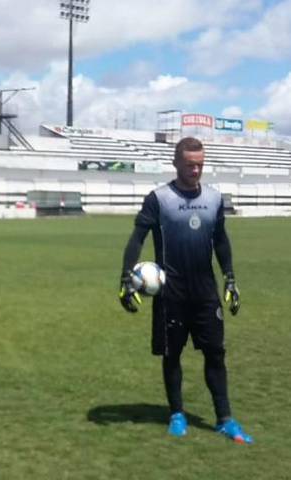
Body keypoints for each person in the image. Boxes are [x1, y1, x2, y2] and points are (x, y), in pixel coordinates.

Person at [118, 136, 252, 443]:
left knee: (216, 354)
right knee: (172, 354)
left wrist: (230, 277)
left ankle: (225, 418)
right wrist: (126, 277)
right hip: (170, 294)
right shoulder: (159, 198)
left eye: (200, 165)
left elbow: (220, 240)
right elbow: (137, 238)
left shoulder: (215, 199)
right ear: (176, 163)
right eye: (190, 165)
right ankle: (176, 414)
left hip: (205, 293)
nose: (195, 170)